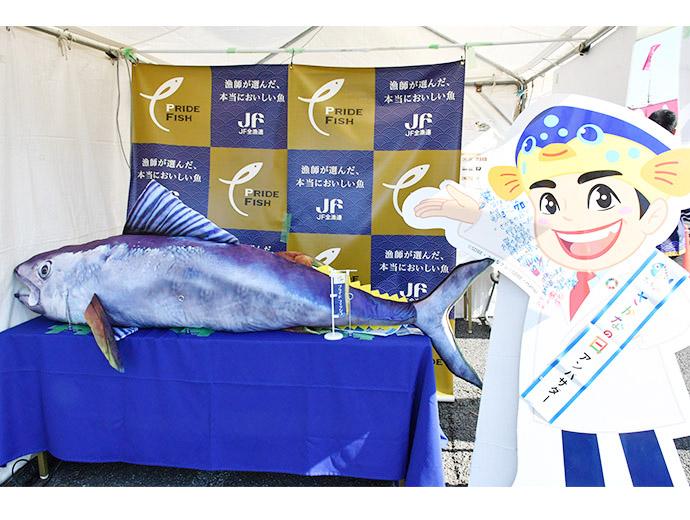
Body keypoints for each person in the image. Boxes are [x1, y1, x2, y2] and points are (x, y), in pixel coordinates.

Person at [412, 99, 690, 486]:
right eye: (550, 202)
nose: (571, 217)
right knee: (564, 465)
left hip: (628, 400)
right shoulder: (548, 265)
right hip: (554, 402)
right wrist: (474, 216)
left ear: (654, 213)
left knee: (642, 470)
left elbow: (674, 320)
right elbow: (517, 242)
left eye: (601, 198)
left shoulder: (649, 276)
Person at [650, 109, 687, 266]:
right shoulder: (680, 160)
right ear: (674, 131)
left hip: (640, 239)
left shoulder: (633, 154)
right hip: (671, 240)